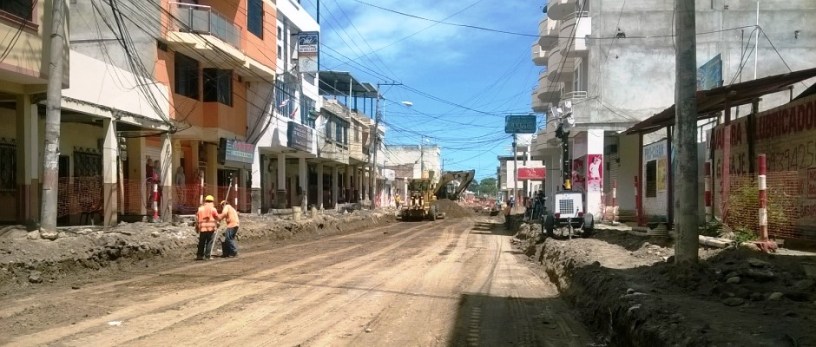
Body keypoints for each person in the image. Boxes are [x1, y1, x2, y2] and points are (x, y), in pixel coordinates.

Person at [196, 195, 220, 260]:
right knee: (209, 242)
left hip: (202, 228)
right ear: (212, 201)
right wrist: (218, 223)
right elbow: (217, 217)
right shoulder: (213, 209)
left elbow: (197, 218)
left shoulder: (200, 209)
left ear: (205, 201)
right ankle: (207, 255)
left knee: (201, 242)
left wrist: (197, 227)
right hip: (211, 228)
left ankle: (199, 255)